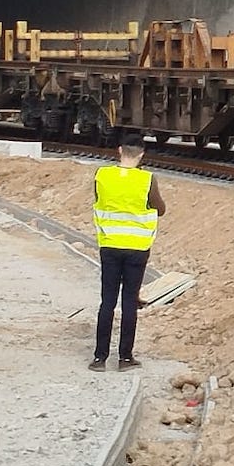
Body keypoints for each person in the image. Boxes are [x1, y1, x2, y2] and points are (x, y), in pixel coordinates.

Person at [90, 142, 166, 371]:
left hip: (110, 245)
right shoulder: (147, 179)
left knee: (108, 301)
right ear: (142, 154)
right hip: (137, 249)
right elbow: (160, 208)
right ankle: (125, 359)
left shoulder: (101, 175)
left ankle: (99, 358)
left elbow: (97, 198)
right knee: (129, 303)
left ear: (120, 150)